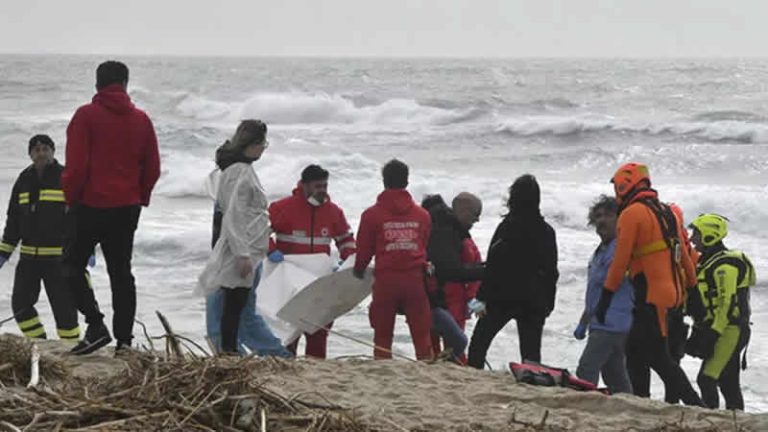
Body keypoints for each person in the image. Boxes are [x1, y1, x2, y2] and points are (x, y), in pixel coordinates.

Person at [62, 61, 161, 355]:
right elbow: (153, 168)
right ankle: (125, 341)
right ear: (126, 84)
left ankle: (95, 325)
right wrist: (139, 197)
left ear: (97, 84)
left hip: (90, 205)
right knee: (121, 273)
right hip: (126, 207)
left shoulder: (85, 116)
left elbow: (76, 167)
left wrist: (71, 199)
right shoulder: (142, 120)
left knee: (70, 266)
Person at [593, 162, 703, 406]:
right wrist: (694, 293)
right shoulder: (668, 211)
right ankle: (642, 403)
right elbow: (684, 255)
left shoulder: (632, 214)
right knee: (635, 352)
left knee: (659, 358)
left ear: (624, 185)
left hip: (651, 294)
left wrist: (605, 300)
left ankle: (697, 406)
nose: (616, 194)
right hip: (672, 293)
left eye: (617, 188)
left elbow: (620, 262)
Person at [467, 174, 559, 369]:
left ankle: (473, 378)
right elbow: (551, 272)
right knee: (531, 356)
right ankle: (531, 384)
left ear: (513, 198)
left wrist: (480, 298)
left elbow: (493, 266)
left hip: (502, 297)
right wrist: (548, 303)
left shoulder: (507, 228)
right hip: (533, 300)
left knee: (478, 346)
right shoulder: (547, 232)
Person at [0, 135, 86, 341]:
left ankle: (71, 348)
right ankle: (40, 343)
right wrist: (4, 253)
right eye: (36, 150)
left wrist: (85, 247)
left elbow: (80, 216)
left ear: (53, 152)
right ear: (30, 154)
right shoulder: (23, 179)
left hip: (59, 259)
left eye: (45, 149)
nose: (41, 153)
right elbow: (13, 220)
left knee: (65, 310)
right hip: (28, 259)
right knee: (20, 306)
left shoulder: (66, 176)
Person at [197, 120, 271, 354]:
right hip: (240, 249)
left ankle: (230, 352)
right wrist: (242, 254)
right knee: (234, 307)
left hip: (246, 247)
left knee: (235, 307)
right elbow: (234, 215)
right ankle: (229, 353)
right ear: (252, 144)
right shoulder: (238, 172)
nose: (263, 149)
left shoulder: (239, 169)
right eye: (263, 144)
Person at [267, 164, 356, 358]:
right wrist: (271, 250)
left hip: (320, 283)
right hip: (289, 283)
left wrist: (348, 260)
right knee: (288, 332)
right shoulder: (282, 208)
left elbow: (345, 240)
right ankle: (287, 365)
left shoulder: (333, 212)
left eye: (325, 186)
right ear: (304, 185)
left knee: (319, 332)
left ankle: (315, 368)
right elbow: (258, 232)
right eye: (318, 186)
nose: (322, 191)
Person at [203, 168, 290, 358]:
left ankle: (273, 354)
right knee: (234, 316)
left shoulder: (231, 192)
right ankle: (262, 354)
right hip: (237, 257)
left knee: (235, 317)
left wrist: (246, 254)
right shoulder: (230, 193)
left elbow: (246, 225)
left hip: (239, 258)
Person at [354, 159, 433, 360]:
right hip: (415, 279)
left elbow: (364, 249)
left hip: (386, 280)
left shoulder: (371, 215)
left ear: (384, 181)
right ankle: (424, 366)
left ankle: (383, 368)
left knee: (382, 335)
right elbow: (424, 244)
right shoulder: (422, 215)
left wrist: (359, 268)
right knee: (422, 334)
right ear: (407, 181)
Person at [686, 214, 755, 410]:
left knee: (706, 379)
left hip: (730, 330)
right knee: (728, 381)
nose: (692, 239)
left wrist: (713, 334)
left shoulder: (726, 265)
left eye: (696, 234)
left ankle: (712, 419)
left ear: (709, 235)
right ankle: (735, 420)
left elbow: (726, 303)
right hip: (720, 328)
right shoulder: (707, 262)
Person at [573, 195, 633, 394]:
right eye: (597, 216)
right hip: (600, 322)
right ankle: (628, 406)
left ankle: (585, 403)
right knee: (614, 374)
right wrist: (583, 322)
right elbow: (595, 292)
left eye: (608, 215)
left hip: (613, 322)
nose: (601, 220)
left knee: (586, 368)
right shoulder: (600, 252)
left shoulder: (623, 248)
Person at [422, 193, 484, 363]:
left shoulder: (431, 230)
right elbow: (474, 276)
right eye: (475, 216)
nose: (476, 221)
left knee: (430, 344)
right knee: (454, 347)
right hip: (455, 300)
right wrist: (475, 303)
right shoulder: (461, 239)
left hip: (433, 296)